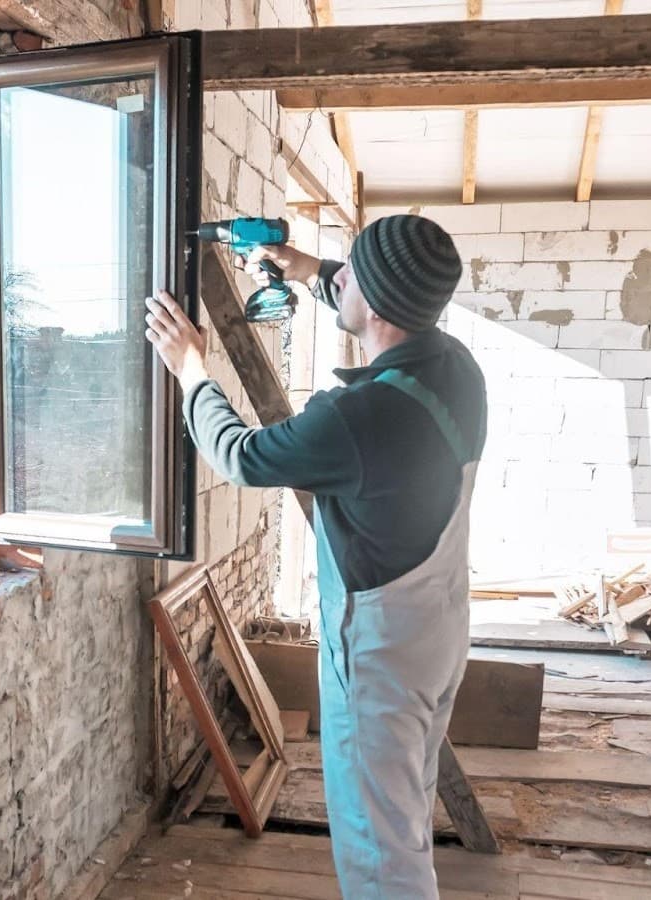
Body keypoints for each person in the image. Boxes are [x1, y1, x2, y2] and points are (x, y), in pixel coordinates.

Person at [144, 214, 486, 899]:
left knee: (378, 851)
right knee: (404, 812)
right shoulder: (455, 368)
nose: (339, 276)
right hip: (437, 630)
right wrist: (303, 266)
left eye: (348, 269)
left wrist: (190, 369)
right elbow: (368, 299)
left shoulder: (353, 419)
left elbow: (240, 456)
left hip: (380, 655)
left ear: (381, 302)